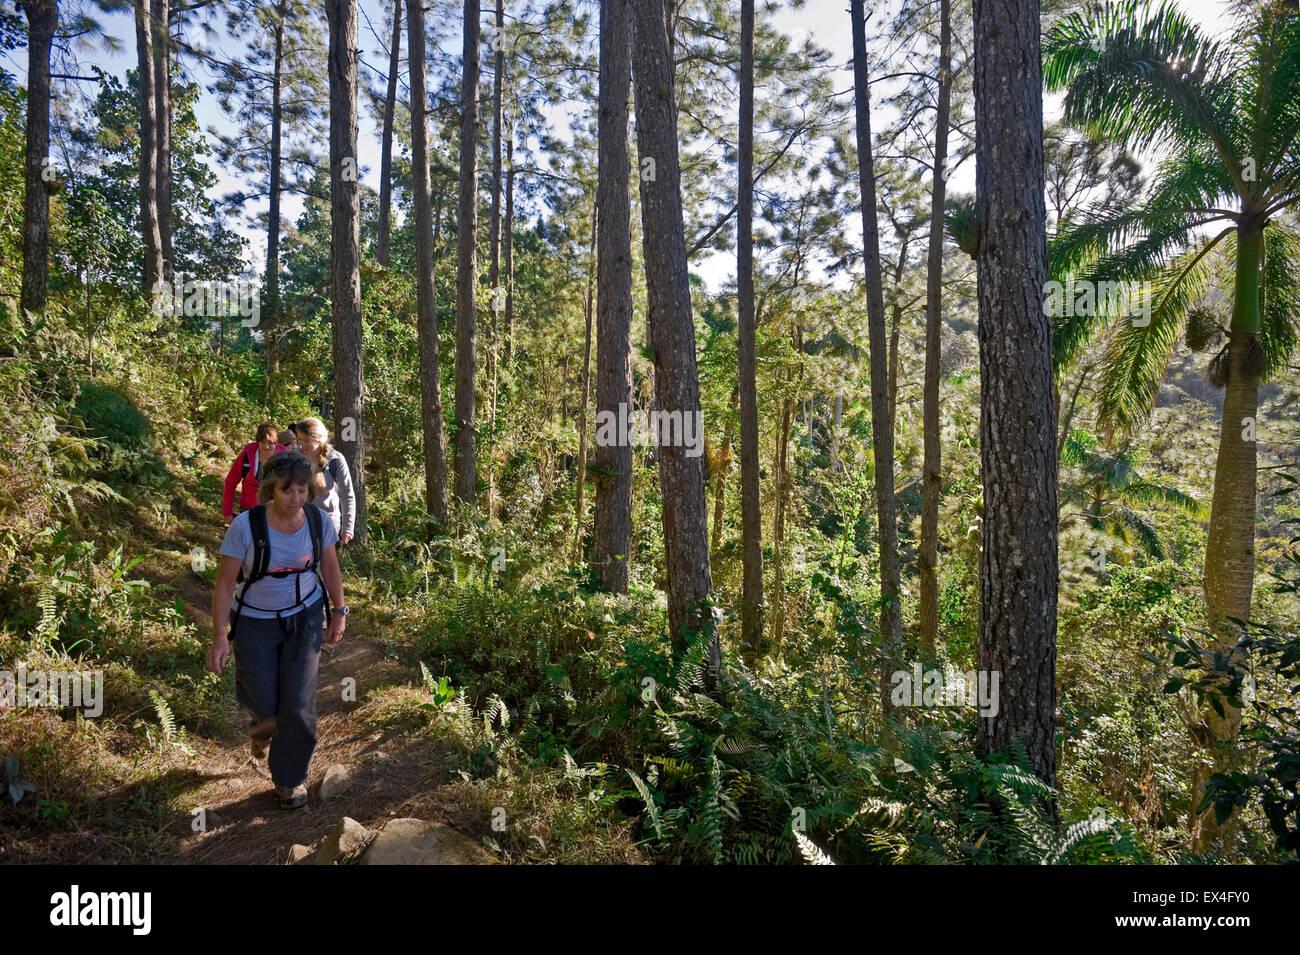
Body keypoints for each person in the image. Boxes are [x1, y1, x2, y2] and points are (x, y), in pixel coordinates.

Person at [207, 451, 349, 809]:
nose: (295, 499)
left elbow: (330, 567)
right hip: (255, 623)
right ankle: (261, 728)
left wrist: (339, 610)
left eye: (302, 491)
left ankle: (290, 780)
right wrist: (220, 637)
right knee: (263, 700)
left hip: (305, 619)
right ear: (271, 490)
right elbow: (225, 584)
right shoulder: (246, 527)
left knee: (299, 704)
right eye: (287, 491)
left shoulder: (318, 523)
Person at [296, 417, 356, 546]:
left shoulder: (335, 459)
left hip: (327, 523)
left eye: (307, 440)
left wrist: (348, 527)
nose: (302, 444)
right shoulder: (293, 456)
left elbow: (347, 494)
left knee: (323, 564)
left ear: (319, 439)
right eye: (299, 439)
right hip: (298, 520)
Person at [222, 423, 283, 524]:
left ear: (276, 442)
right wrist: (227, 512)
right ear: (258, 442)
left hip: (275, 511)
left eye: (271, 443)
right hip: (248, 510)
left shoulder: (285, 457)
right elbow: (230, 482)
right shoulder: (247, 454)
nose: (267, 446)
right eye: (263, 442)